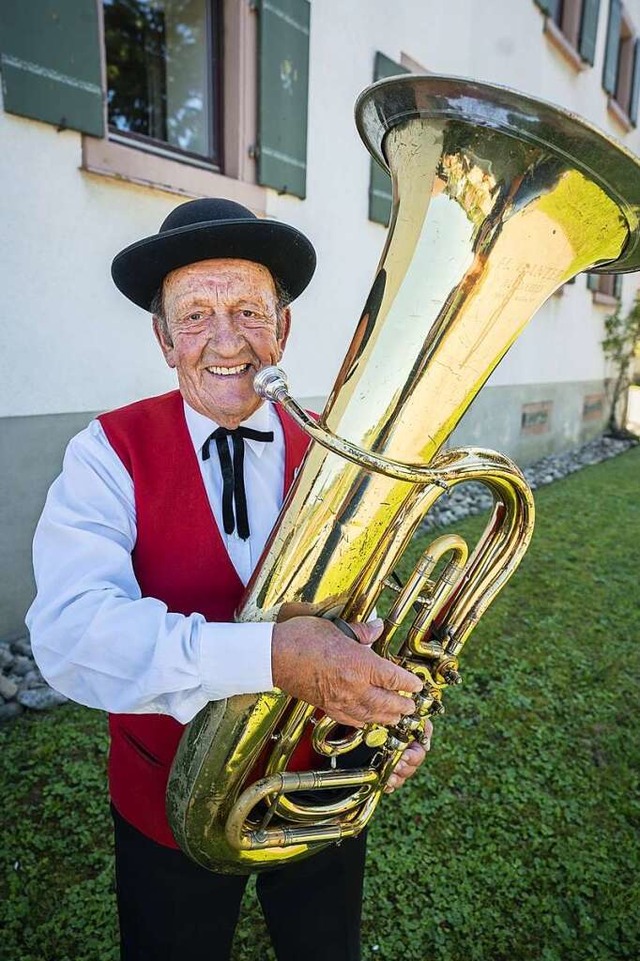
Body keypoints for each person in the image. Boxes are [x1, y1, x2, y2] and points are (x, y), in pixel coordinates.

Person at [26, 198, 431, 961]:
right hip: (166, 805)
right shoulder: (105, 452)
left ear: (283, 329)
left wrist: (391, 710)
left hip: (321, 791)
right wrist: (271, 656)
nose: (226, 340)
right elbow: (72, 634)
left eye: (249, 310)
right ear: (162, 339)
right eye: (195, 314)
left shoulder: (338, 450)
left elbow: (371, 610)